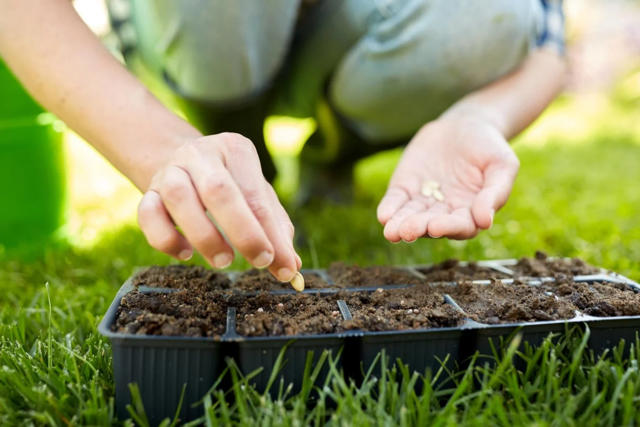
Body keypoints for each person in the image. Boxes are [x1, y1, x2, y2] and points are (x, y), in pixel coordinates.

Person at [0, 0, 566, 284]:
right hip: (201, 32)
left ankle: (332, 155)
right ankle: (232, 146)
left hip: (357, 30)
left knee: (485, 14)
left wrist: (480, 115)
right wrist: (159, 145)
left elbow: (544, 33)